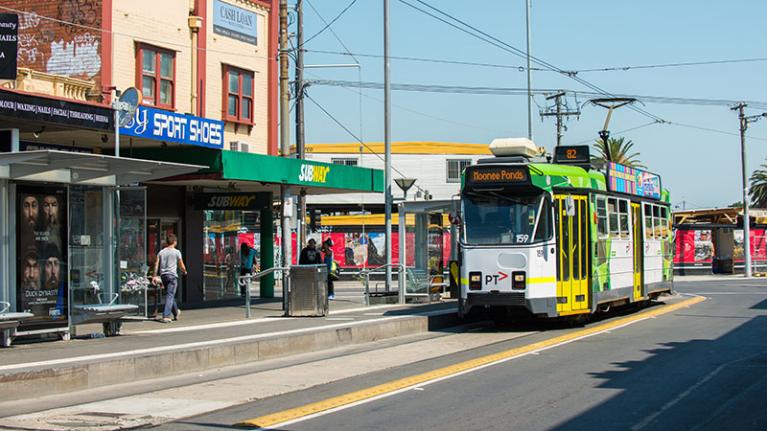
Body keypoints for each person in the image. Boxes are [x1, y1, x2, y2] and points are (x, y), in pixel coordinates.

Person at [153, 234, 187, 323]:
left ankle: (176, 312)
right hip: (172, 276)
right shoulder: (177, 252)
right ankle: (166, 316)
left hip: (163, 276)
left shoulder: (161, 252)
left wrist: (154, 276)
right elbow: (181, 264)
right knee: (170, 295)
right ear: (175, 242)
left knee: (169, 295)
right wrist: (184, 271)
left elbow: (156, 264)